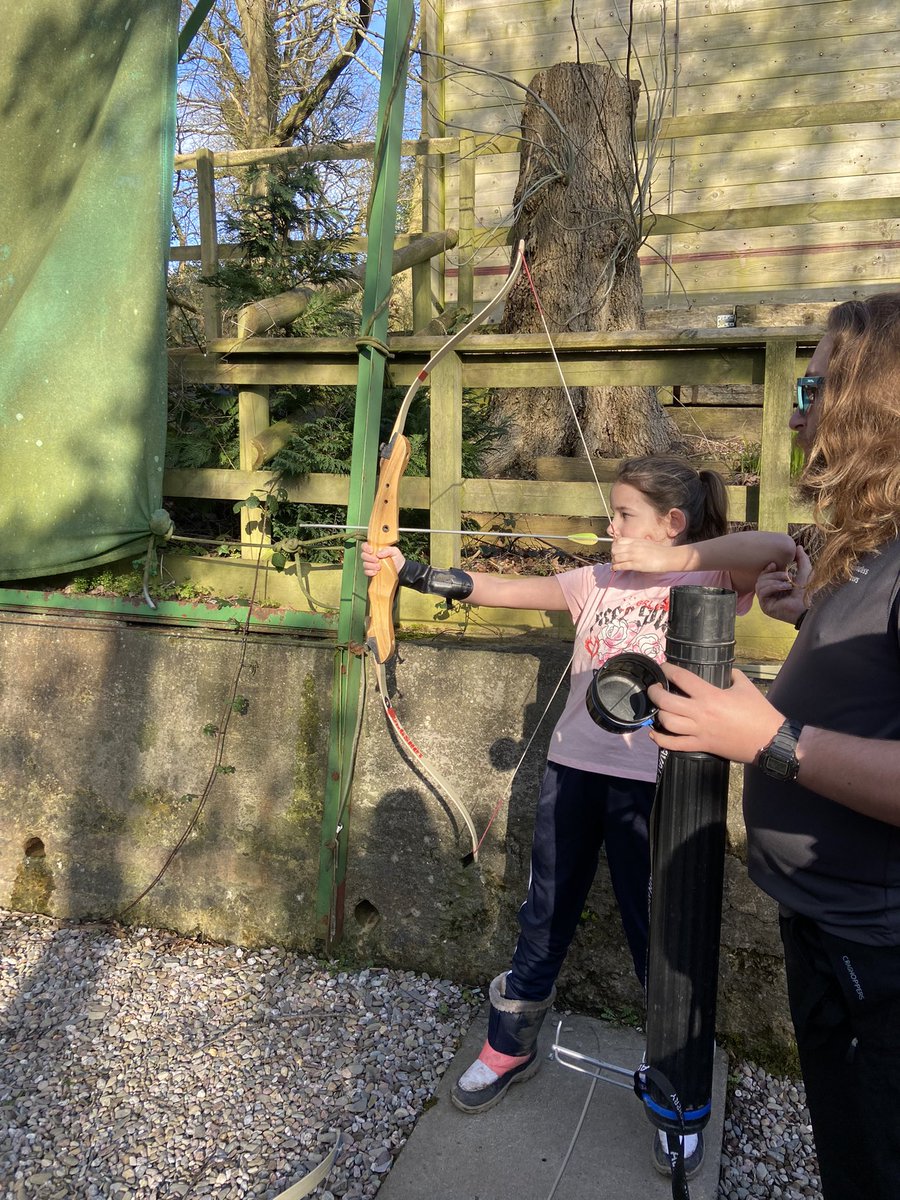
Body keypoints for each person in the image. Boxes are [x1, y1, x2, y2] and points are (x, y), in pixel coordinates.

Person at [362, 454, 795, 1179]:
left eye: (624, 516)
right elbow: (503, 587)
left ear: (672, 523)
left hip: (659, 782)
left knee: (658, 927)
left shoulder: (704, 574)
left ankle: (677, 1090)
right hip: (573, 771)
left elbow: (778, 551)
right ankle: (510, 1044)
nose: (609, 527)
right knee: (546, 908)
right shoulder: (597, 580)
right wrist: (412, 572)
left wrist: (669, 558)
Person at [646, 294, 900, 1200]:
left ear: (877, 403)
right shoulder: (869, 543)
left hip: (880, 952)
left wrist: (770, 739)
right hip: (826, 924)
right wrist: (812, 612)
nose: (797, 408)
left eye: (815, 382)